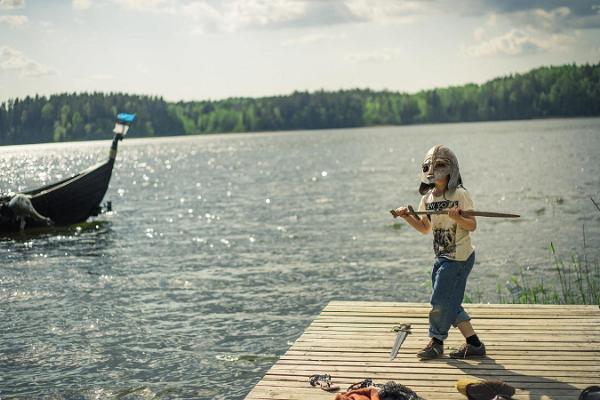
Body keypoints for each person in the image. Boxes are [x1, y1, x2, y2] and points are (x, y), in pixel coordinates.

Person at [392, 144, 486, 360]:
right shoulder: (427, 199)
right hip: (442, 257)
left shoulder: (460, 194)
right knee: (449, 302)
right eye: (429, 166)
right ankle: (474, 344)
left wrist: (458, 218)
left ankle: (436, 342)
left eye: (440, 165)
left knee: (439, 301)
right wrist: (407, 216)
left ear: (451, 168)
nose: (433, 170)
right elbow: (425, 228)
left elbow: (472, 225)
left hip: (459, 257)